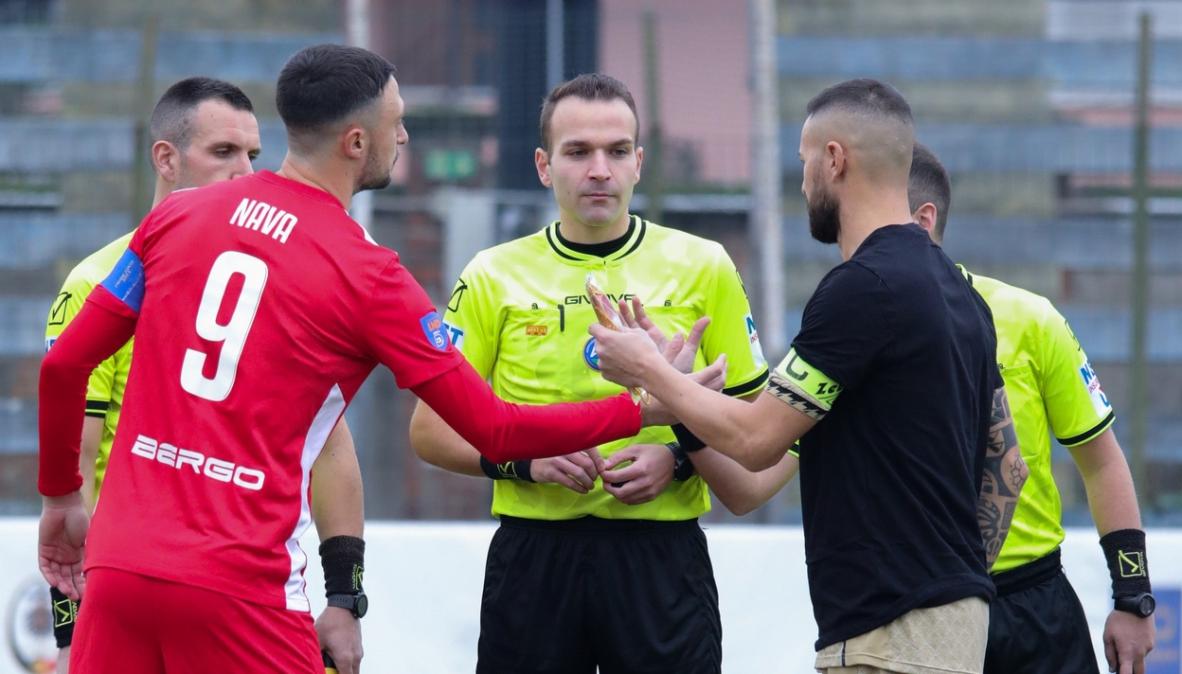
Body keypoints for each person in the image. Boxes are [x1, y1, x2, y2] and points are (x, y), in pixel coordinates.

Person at [37, 46, 682, 673]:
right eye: (395, 122)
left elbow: (62, 368)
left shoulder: (175, 217)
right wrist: (641, 405)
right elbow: (495, 428)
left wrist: (61, 498)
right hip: (241, 589)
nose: (403, 136)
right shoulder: (370, 274)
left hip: (117, 574)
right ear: (355, 142)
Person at [591, 78, 1028, 674]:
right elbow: (1008, 466)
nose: (801, 184)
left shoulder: (861, 291)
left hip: (887, 638)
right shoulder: (961, 292)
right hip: (953, 629)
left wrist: (649, 372)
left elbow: (754, 441)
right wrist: (954, 583)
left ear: (833, 160)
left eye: (802, 164)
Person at [409, 72, 794, 673]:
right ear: (543, 165)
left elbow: (758, 429)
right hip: (535, 557)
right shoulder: (492, 273)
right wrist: (524, 461)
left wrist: (679, 459)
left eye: (617, 152)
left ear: (639, 163)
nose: (599, 170)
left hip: (660, 559)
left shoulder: (704, 266)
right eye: (578, 152)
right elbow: (429, 431)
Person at [42, 76, 369, 674]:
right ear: (166, 158)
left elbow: (328, 442)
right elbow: (77, 463)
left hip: (248, 582)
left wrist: (345, 597)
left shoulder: (283, 271)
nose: (245, 171)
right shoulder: (100, 280)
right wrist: (70, 627)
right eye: (223, 153)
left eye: (253, 155)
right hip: (132, 585)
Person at [907, 143, 1155, 674]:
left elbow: (1102, 461)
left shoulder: (1030, 318)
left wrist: (1134, 596)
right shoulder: (847, 327)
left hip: (1033, 607)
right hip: (918, 612)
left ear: (922, 221)